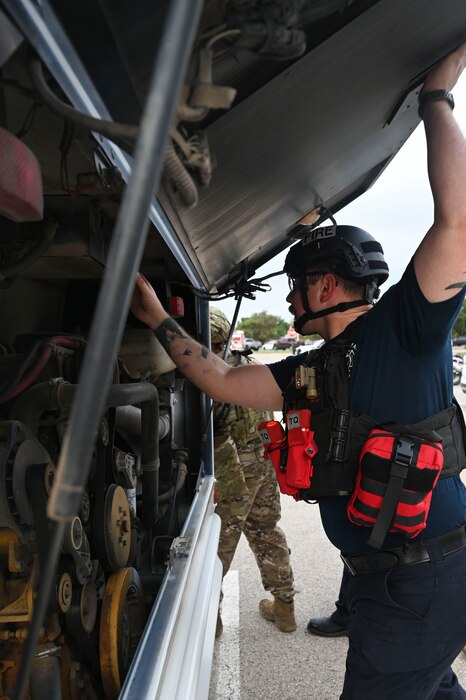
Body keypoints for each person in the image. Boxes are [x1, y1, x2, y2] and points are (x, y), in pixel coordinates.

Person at [131, 43, 466, 698]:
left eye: (299, 285)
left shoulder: (405, 327)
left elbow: (455, 223)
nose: (288, 300)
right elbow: (223, 381)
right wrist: (159, 323)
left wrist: (436, 96)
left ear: (336, 280)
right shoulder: (312, 371)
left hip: (422, 578)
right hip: (383, 577)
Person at [209, 307, 296, 636]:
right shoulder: (253, 367)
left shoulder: (213, 378)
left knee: (219, 545)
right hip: (265, 462)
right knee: (267, 533)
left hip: (233, 472)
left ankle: (210, 618)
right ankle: (285, 607)